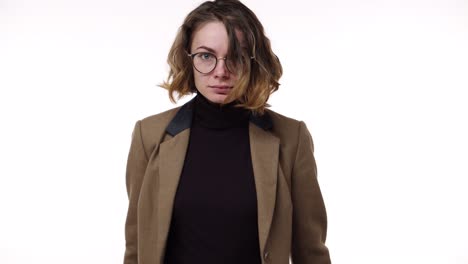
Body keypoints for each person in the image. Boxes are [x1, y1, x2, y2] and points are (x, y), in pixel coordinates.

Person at [123, 0, 331, 263]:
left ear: (255, 61)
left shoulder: (292, 139)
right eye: (206, 56)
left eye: (236, 57)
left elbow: (311, 251)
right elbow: (136, 246)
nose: (220, 72)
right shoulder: (149, 135)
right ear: (188, 57)